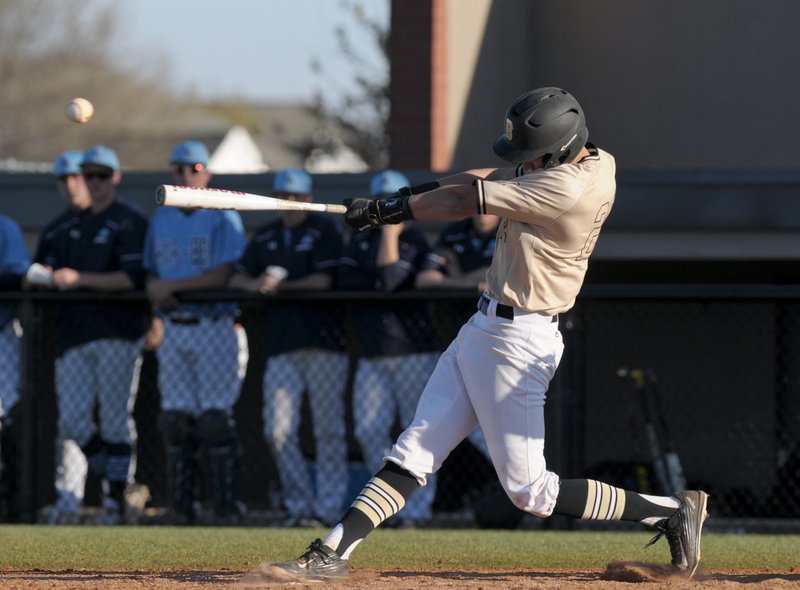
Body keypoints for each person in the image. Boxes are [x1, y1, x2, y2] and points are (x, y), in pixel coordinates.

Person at [265, 87, 709, 582]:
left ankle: (670, 510)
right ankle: (332, 553)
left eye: (531, 153)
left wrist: (383, 214)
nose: (524, 161)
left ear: (559, 149)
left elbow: (465, 200)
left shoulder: (565, 189)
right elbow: (486, 175)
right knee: (415, 448)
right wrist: (405, 196)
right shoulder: (591, 158)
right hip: (484, 327)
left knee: (531, 492)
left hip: (521, 342)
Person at [229, 168, 348, 528]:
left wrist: (283, 286)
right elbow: (236, 277)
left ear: (308, 199)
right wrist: (257, 285)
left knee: (328, 429)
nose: (290, 203)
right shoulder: (266, 234)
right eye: (284, 196)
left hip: (324, 342)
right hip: (280, 344)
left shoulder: (323, 229)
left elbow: (324, 279)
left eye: (296, 197)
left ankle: (328, 507)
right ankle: (299, 504)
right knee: (277, 429)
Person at [41, 145, 150, 525]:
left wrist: (80, 279)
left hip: (118, 331)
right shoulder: (66, 224)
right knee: (71, 421)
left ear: (115, 177)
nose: (94, 182)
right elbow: (44, 271)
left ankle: (115, 503)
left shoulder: (130, 221)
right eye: (88, 175)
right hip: (73, 334)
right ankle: (122, 485)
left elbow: (133, 279)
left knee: (115, 419)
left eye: (102, 175)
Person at [143, 140, 248, 525]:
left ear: (208, 172)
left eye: (195, 168)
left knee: (215, 421)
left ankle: (225, 509)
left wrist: (171, 288)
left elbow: (225, 273)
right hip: (174, 327)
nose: (187, 175)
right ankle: (182, 510)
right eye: (179, 169)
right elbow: (153, 273)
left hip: (214, 325)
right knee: (175, 421)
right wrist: (157, 303)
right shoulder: (161, 218)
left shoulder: (223, 214)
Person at [336, 170, 439, 529]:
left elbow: (391, 280)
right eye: (378, 202)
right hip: (372, 352)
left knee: (419, 432)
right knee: (368, 430)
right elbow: (346, 282)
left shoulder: (414, 240)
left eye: (388, 202)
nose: (382, 209)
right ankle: (382, 503)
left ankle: (417, 512)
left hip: (412, 350)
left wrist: (391, 234)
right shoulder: (358, 241)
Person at [0, 215, 30, 521]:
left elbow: (19, 276)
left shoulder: (5, 227)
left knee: (8, 417)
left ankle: (9, 498)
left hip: (2, 332)